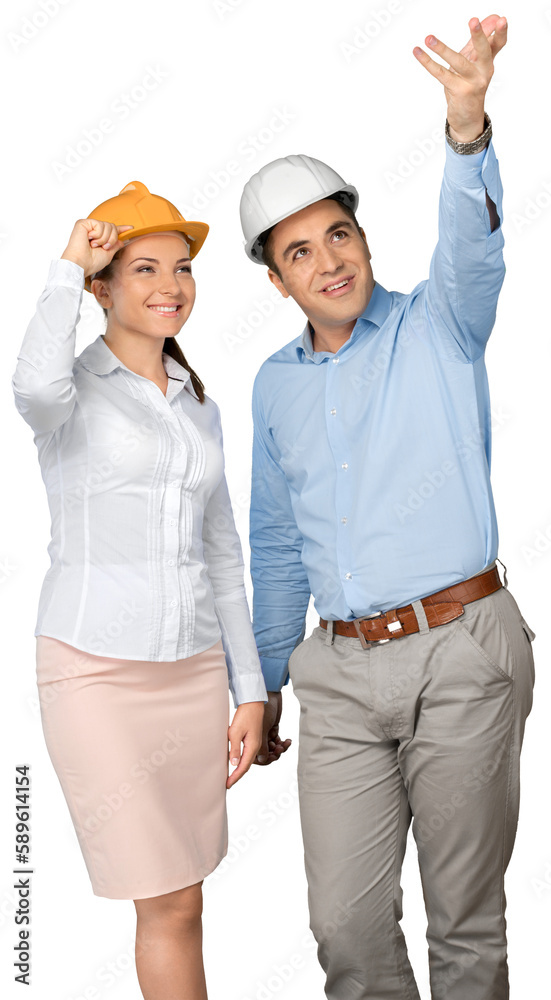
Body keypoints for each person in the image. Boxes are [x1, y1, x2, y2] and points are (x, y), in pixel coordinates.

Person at [240, 14, 536, 1000]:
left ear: (362, 237)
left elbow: (474, 253)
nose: (328, 260)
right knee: (346, 930)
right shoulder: (273, 388)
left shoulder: (438, 327)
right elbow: (277, 540)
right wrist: (263, 684)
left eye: (339, 233)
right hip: (338, 673)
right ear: (277, 280)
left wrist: (464, 129)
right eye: (298, 253)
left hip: (460, 649)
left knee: (463, 927)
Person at [11, 180, 268, 1000]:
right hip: (94, 672)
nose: (170, 287)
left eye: (183, 268)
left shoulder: (199, 409)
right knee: (161, 895)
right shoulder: (70, 393)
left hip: (192, 673)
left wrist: (250, 691)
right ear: (104, 288)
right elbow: (31, 388)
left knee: (186, 900)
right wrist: (63, 269)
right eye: (144, 268)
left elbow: (223, 555)